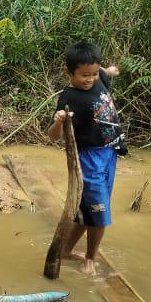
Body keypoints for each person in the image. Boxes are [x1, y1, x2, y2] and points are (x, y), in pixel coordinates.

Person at [45, 41, 125, 275]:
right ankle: (90, 258)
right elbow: (53, 137)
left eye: (93, 73)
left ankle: (67, 250)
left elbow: (102, 72)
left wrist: (109, 71)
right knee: (99, 212)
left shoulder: (97, 74)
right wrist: (59, 121)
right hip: (89, 158)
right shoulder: (69, 98)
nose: (90, 79)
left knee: (87, 209)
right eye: (84, 75)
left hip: (110, 151)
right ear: (68, 73)